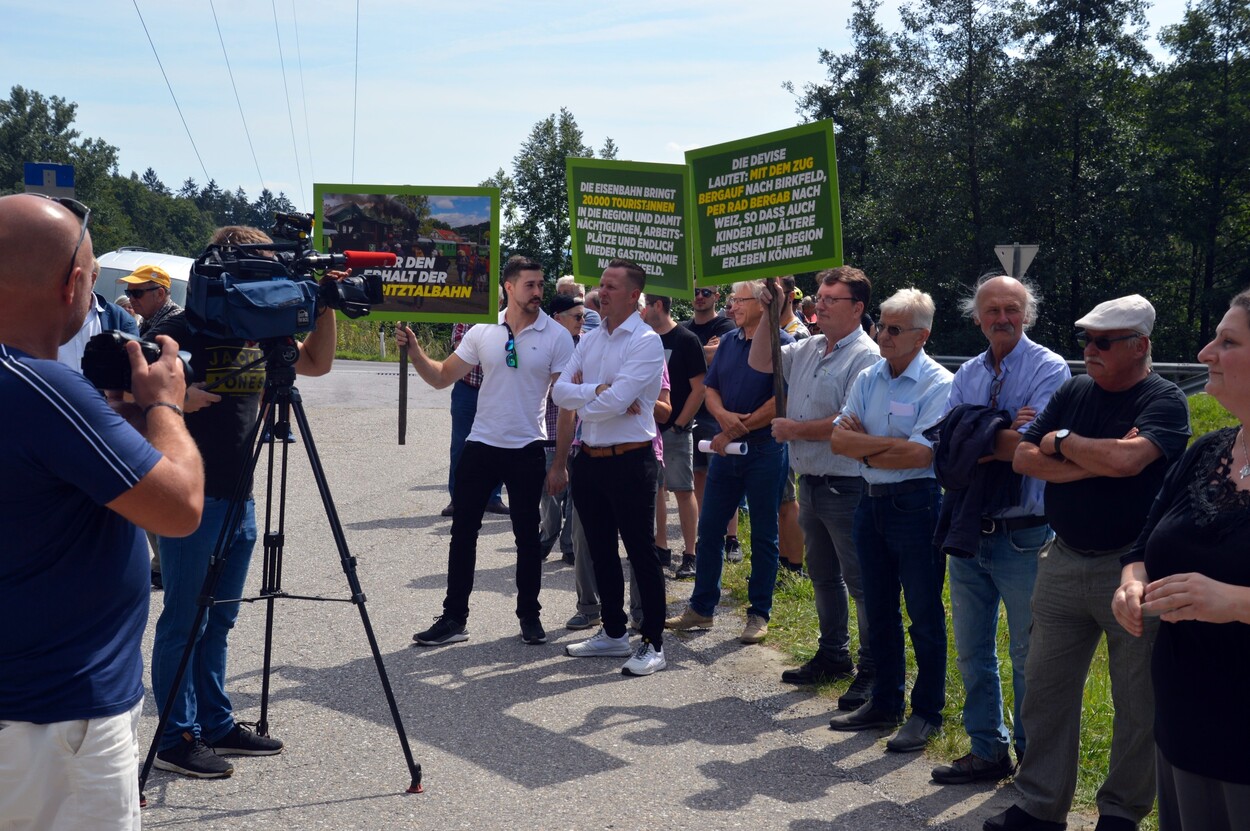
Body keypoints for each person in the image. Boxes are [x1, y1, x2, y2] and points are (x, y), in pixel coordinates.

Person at [0, 192, 203, 828]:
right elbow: (179, 507)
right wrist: (165, 404)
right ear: (76, 284)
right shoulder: (42, 386)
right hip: (55, 722)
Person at [985, 294, 1190, 831]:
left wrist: (1064, 442)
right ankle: (1039, 806)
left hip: (1134, 572)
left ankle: (1120, 814)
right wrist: (1086, 454)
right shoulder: (1075, 390)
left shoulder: (1164, 400)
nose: (1089, 351)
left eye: (1102, 341)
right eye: (1085, 341)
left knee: (1137, 703)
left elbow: (1130, 459)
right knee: (1046, 688)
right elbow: (1024, 456)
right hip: (1063, 559)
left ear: (1140, 346)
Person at [147, 225, 340, 779]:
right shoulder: (184, 324)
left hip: (242, 495)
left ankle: (216, 723)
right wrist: (177, 394)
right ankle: (174, 738)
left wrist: (321, 305)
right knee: (185, 618)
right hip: (191, 495)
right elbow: (129, 384)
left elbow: (317, 363)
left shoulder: (266, 326)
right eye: (253, 265)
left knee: (222, 619)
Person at [1112, 289, 1250, 831]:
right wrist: (1131, 583)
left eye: (1229, 341)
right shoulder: (1207, 453)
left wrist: (1235, 602)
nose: (1204, 353)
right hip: (1184, 721)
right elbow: (1142, 548)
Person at [929, 275, 1070, 785]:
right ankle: (989, 750)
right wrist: (1007, 424)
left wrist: (981, 430)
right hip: (970, 532)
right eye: (992, 310)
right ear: (977, 318)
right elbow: (946, 447)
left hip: (1025, 535)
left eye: (1012, 308)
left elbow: (1034, 446)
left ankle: (1035, 762)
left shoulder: (1049, 366)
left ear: (1026, 315)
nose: (1002, 317)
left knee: (1030, 655)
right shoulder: (966, 372)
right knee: (971, 650)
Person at [402, 255, 573, 648]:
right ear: (509, 287)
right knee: (463, 533)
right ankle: (453, 619)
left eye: (540, 285)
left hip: (528, 445)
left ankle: (529, 616)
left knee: (527, 538)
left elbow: (567, 405)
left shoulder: (557, 336)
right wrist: (414, 352)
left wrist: (560, 461)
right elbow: (443, 376)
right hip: (481, 443)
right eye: (529, 285)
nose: (537, 292)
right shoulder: (482, 329)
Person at [826, 288, 953, 755]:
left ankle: (926, 713)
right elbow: (839, 441)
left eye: (895, 329)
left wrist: (867, 443)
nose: (883, 335)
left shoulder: (939, 383)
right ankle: (884, 702)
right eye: (881, 325)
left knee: (922, 613)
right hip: (871, 500)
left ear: (922, 336)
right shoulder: (868, 375)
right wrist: (882, 447)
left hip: (917, 505)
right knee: (877, 607)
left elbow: (922, 454)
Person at [747, 267, 881, 708]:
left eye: (831, 299)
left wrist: (796, 430)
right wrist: (772, 309)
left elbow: (850, 419)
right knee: (823, 575)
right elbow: (761, 362)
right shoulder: (808, 347)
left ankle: (873, 668)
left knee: (860, 582)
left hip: (849, 484)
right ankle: (833, 654)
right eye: (819, 297)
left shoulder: (865, 355)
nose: (820, 304)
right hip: (813, 481)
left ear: (857, 308)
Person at [554, 259, 667, 675]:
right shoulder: (590, 337)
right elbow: (560, 392)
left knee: (641, 553)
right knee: (601, 551)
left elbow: (614, 404)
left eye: (612, 286)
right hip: (590, 459)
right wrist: (597, 392)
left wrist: (593, 398)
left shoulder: (645, 341)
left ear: (635, 294)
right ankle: (614, 633)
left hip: (631, 460)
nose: (601, 292)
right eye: (600, 284)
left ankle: (653, 642)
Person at [665, 279, 794, 644]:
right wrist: (723, 418)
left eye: (740, 300)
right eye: (733, 300)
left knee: (765, 534)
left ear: (762, 302)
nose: (732, 307)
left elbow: (780, 398)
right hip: (726, 448)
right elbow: (711, 388)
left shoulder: (783, 345)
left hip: (764, 449)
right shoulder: (730, 342)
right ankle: (701, 609)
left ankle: (758, 614)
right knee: (709, 530)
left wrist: (739, 426)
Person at [640, 292, 706, 571]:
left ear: (658, 305)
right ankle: (661, 547)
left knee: (682, 489)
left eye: (644, 307)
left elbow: (700, 387)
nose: (640, 312)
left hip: (676, 430)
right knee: (656, 490)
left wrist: (680, 423)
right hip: (648, 429)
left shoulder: (686, 339)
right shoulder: (643, 340)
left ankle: (690, 554)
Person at [681, 279, 740, 574]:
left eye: (706, 292)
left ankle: (732, 538)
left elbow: (722, 355)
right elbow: (686, 359)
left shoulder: (727, 326)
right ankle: (709, 533)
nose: (700, 297)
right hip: (693, 410)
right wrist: (703, 352)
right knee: (699, 476)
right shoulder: (685, 326)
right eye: (695, 292)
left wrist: (698, 353)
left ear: (717, 296)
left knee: (724, 475)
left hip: (718, 412)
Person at [444, 321, 507, 518]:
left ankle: (493, 498)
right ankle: (457, 499)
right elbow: (460, 350)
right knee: (461, 446)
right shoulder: (465, 320)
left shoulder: (508, 322)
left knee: (498, 444)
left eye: (497, 300)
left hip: (496, 391)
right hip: (467, 389)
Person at [540, 293, 584, 563]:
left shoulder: (587, 346)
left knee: (576, 495)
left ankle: (569, 546)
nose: (582, 322)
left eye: (584, 317)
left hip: (580, 434)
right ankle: (547, 536)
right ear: (558, 319)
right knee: (550, 492)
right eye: (577, 317)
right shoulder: (544, 346)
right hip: (550, 431)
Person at [57, 258, 140, 370]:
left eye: (74, 274)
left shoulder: (120, 319)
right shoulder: (47, 314)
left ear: (92, 278)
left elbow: (132, 366)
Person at [118, 264, 183, 336]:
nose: (131, 299)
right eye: (129, 293)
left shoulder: (175, 322)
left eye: (137, 293)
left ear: (160, 294)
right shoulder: (148, 320)